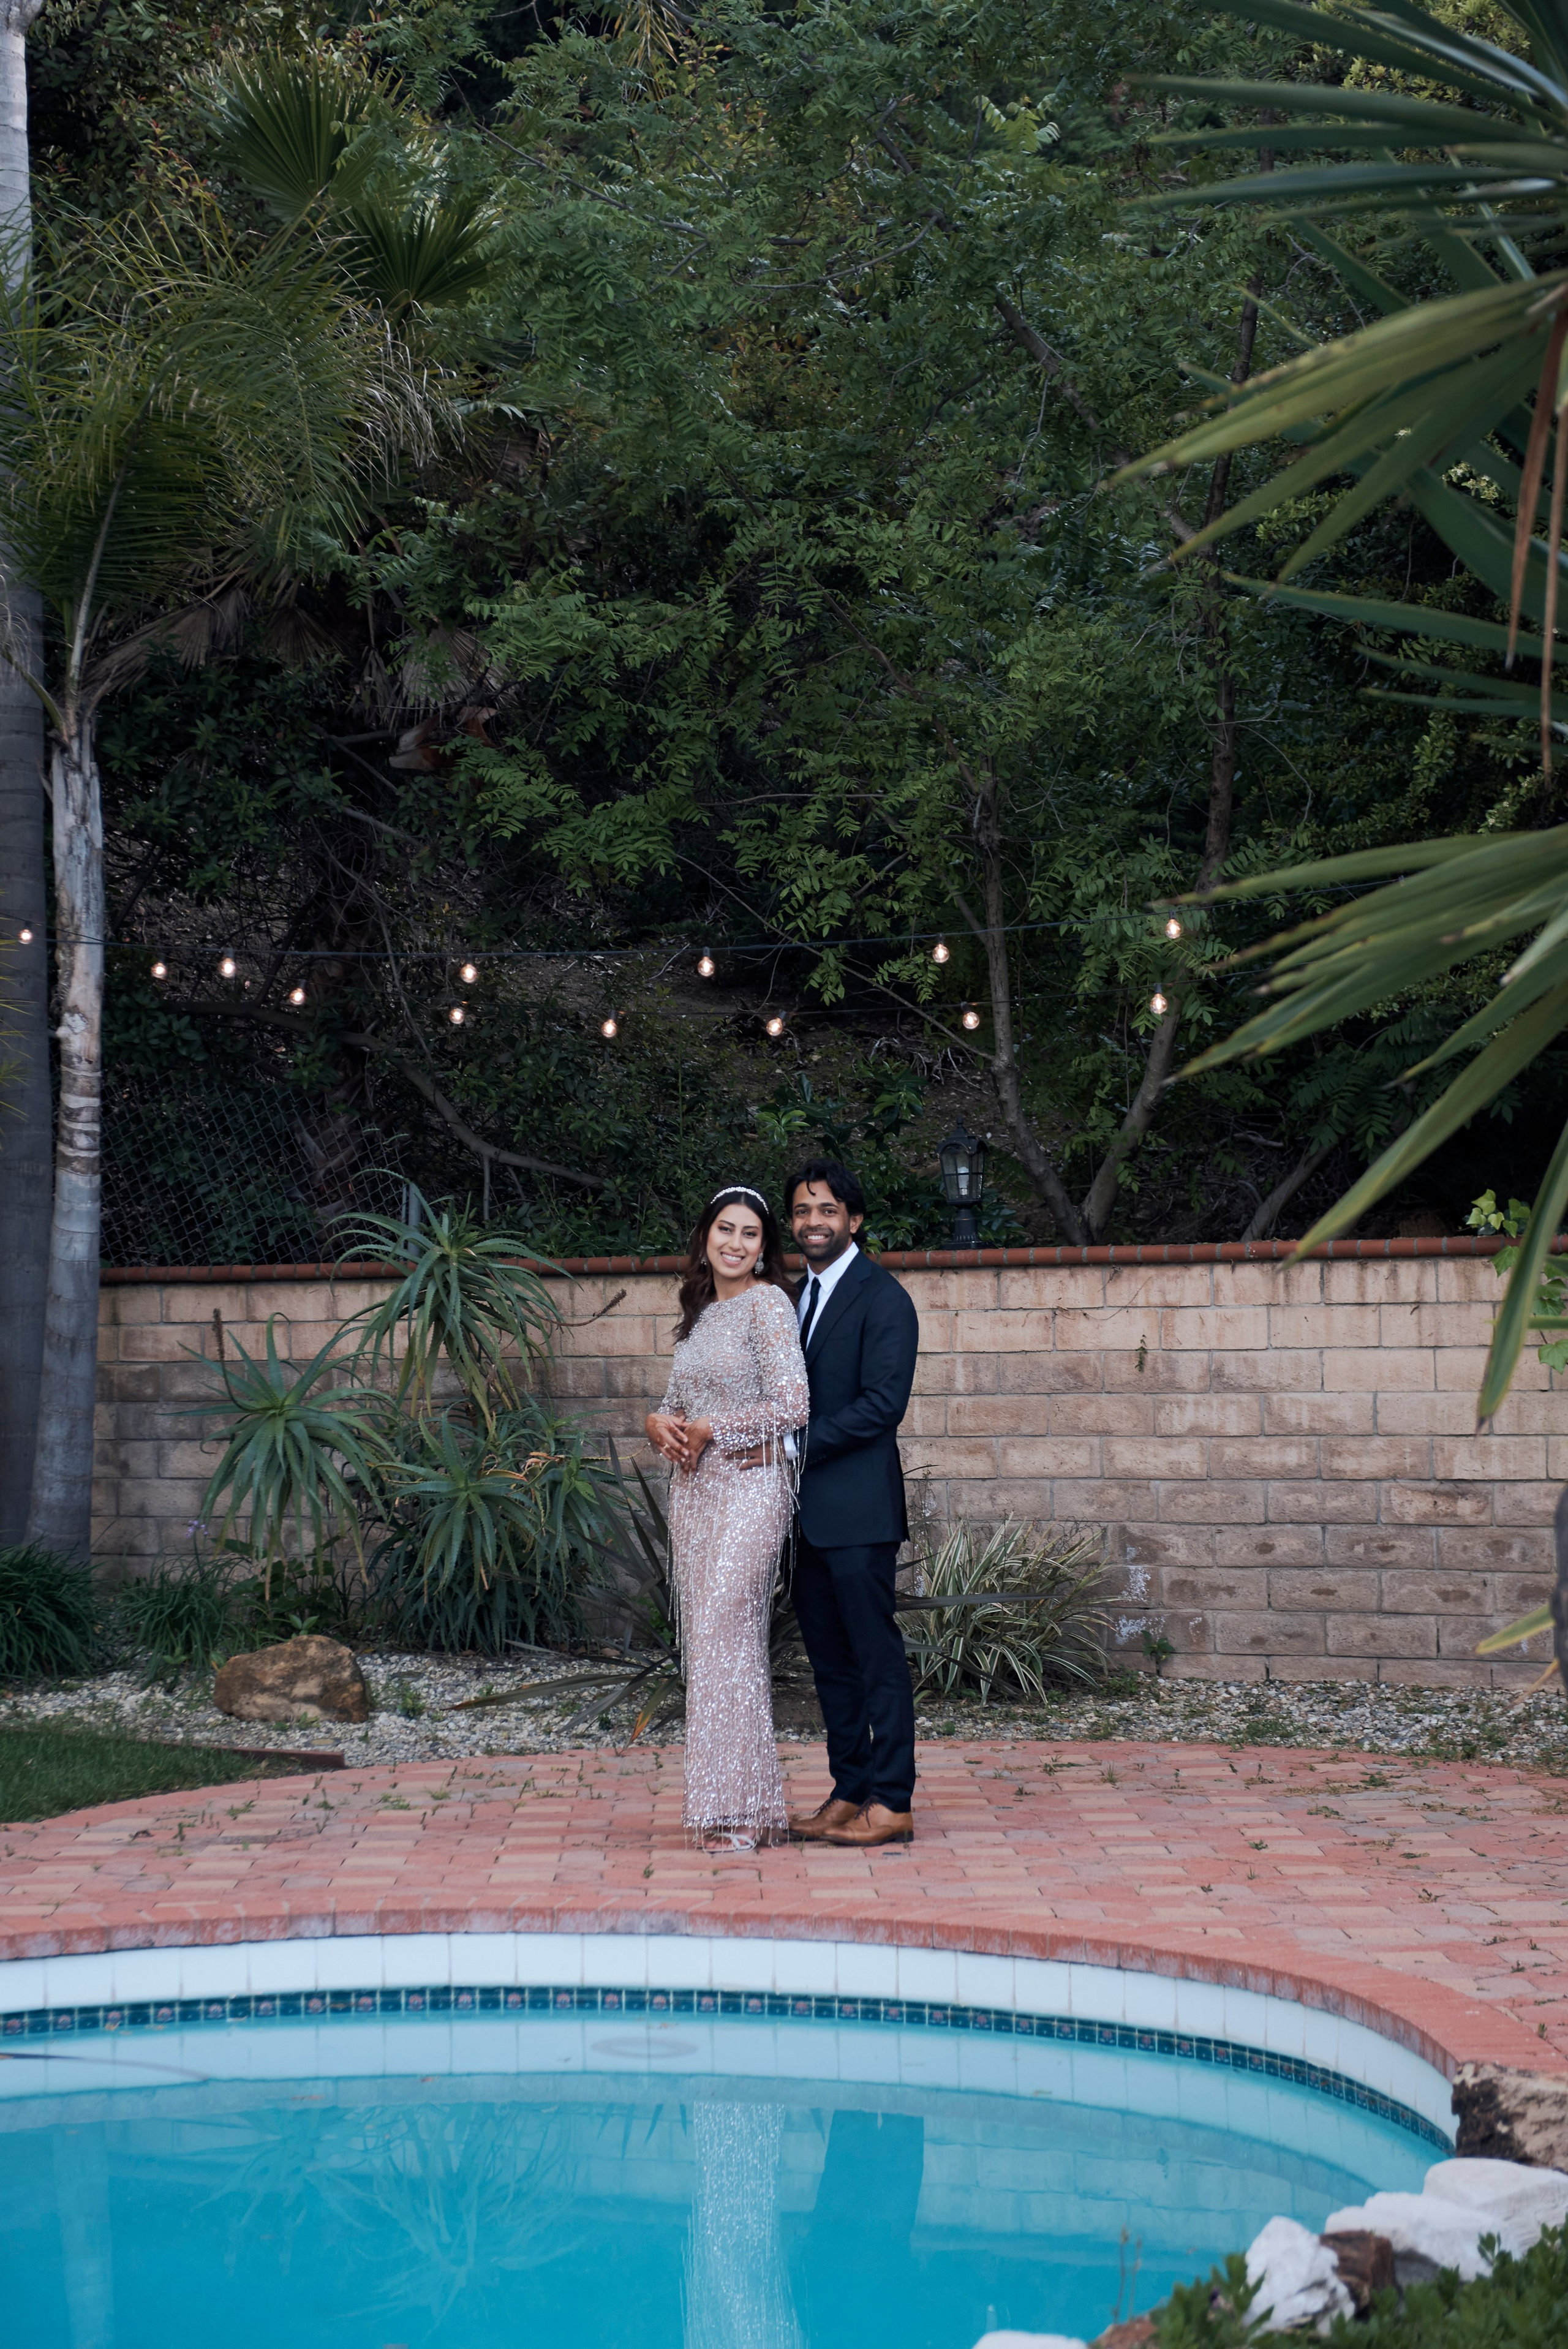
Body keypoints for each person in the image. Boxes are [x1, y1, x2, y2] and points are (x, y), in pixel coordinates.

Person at [645, 1186, 808, 1853]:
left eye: (750, 1234)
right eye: (724, 1230)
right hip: (694, 1494)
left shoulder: (768, 1306)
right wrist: (657, 1422)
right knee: (708, 1644)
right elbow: (677, 1399)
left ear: (764, 1248)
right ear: (705, 1237)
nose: (735, 1243)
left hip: (750, 1485)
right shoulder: (701, 1310)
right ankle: (735, 1807)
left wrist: (717, 1428)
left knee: (726, 1631)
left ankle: (745, 1808)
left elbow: (794, 1404)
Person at [784, 1158, 921, 1849]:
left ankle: (892, 1801)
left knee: (875, 1658)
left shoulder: (883, 1297)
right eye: (804, 1211)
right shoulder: (791, 1298)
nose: (815, 1221)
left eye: (828, 1209)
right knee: (830, 1663)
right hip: (801, 1518)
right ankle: (849, 1789)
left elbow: (880, 1407)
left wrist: (789, 1445)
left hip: (859, 1513)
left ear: (854, 1220)